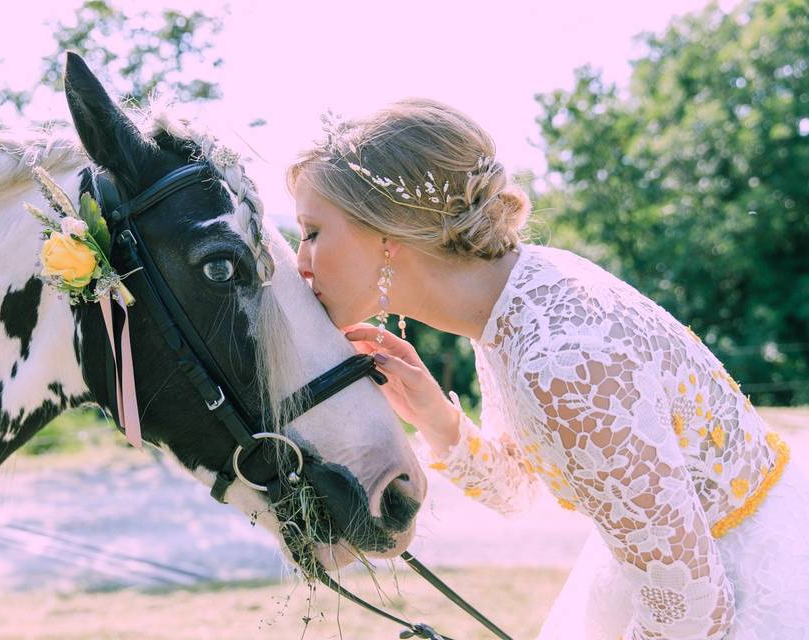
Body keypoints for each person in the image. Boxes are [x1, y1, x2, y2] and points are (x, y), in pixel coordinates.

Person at [287, 98, 809, 640]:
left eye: (312, 232)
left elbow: (693, 609)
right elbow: (518, 491)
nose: (300, 262)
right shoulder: (512, 307)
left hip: (748, 592)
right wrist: (437, 417)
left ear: (387, 235)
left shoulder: (561, 353)